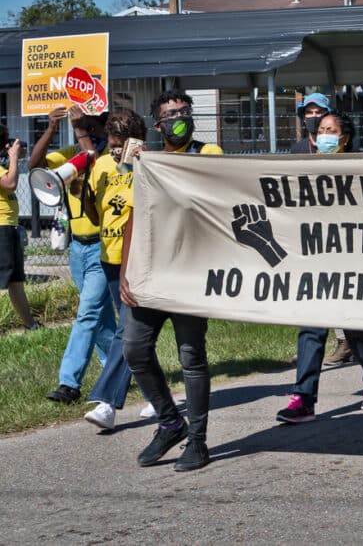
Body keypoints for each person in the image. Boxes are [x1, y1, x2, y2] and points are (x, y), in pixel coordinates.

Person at [121, 89, 223, 472]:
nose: (178, 118)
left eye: (184, 111)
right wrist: (128, 269)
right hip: (150, 270)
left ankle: (198, 441)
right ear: (157, 123)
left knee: (191, 357)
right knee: (135, 348)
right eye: (170, 113)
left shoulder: (207, 154)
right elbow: (133, 214)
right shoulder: (145, 163)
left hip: (191, 271)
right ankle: (170, 423)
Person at [276, 111, 363, 423]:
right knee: (312, 327)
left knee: (353, 325)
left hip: (350, 260)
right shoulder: (306, 169)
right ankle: (303, 396)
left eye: (331, 130)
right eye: (321, 130)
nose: (324, 134)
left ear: (345, 138)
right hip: (316, 259)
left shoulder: (358, 169)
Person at [28, 106, 116, 404]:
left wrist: (80, 130)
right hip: (77, 248)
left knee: (88, 313)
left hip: (102, 246)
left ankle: (69, 383)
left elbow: (94, 159)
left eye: (89, 124)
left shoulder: (108, 156)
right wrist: (51, 128)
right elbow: (35, 165)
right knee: (100, 319)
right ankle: (117, 373)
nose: (83, 129)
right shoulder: (70, 152)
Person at [80, 110, 148, 429]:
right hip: (110, 255)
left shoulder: (147, 163)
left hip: (137, 257)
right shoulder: (103, 165)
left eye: (119, 143)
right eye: (110, 141)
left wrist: (144, 164)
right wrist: (82, 192)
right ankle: (154, 395)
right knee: (132, 330)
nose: (112, 148)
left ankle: (106, 403)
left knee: (126, 330)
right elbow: (96, 216)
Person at [292, 92, 357, 367]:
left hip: (343, 235)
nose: (314, 118)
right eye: (309, 113)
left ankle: (353, 348)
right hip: (312, 234)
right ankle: (308, 367)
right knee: (314, 302)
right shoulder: (296, 150)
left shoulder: (350, 155)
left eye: (319, 114)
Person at [0, 126, 39, 330]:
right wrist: (13, 156)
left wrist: (14, 156)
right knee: (3, 279)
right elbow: (10, 183)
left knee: (15, 281)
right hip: (1, 228)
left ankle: (30, 324)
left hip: (9, 227)